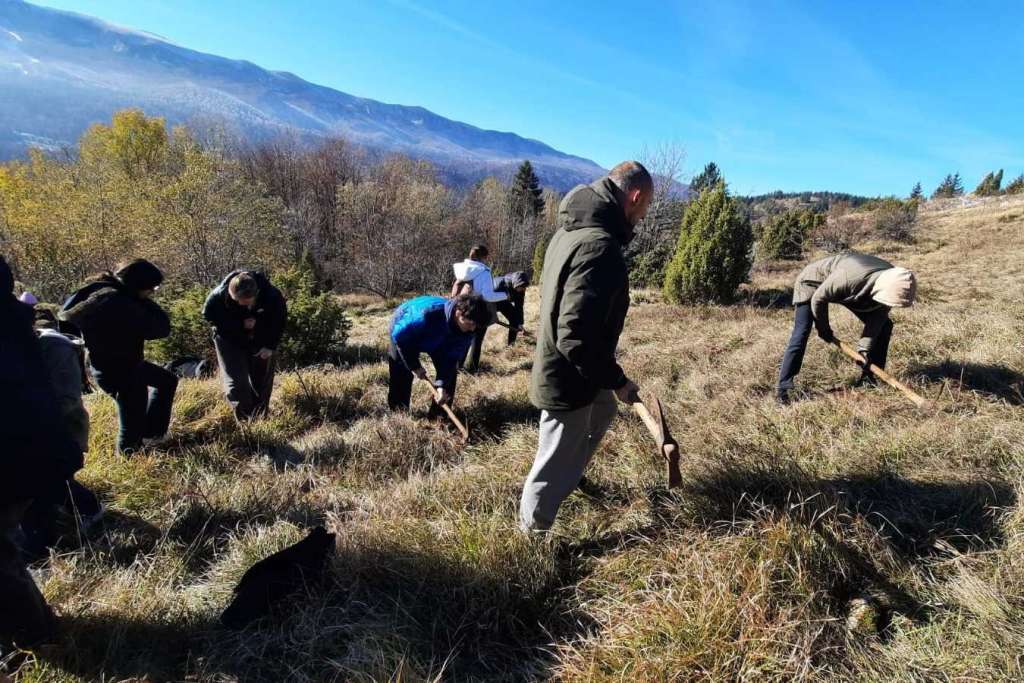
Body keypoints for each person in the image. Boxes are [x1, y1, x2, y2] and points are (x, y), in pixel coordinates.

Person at [519, 161, 654, 532]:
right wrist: (618, 380)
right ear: (635, 196)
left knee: (603, 409)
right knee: (551, 465)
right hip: (568, 377)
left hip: (579, 370)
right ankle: (531, 539)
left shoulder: (570, 231)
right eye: (645, 206)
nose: (644, 216)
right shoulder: (599, 246)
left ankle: (572, 473)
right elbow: (575, 335)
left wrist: (608, 380)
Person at [0, 255, 82, 649]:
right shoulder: (14, 325)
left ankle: (36, 639)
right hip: (32, 453)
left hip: (16, 456)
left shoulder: (15, 336)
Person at [60, 259, 178, 455]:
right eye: (151, 288)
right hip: (121, 373)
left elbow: (65, 317)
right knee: (130, 432)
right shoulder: (120, 303)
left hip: (110, 365)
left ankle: (152, 435)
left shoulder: (100, 290)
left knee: (167, 381)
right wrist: (143, 301)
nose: (152, 292)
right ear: (137, 285)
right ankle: (130, 459)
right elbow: (161, 328)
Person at [776, 251, 917, 405]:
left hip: (856, 289)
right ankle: (784, 389)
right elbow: (818, 298)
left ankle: (869, 378)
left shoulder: (895, 282)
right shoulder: (849, 277)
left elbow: (877, 320)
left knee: (885, 326)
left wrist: (863, 350)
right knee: (802, 331)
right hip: (812, 282)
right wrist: (824, 330)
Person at [19, 310, 103, 556]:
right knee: (53, 482)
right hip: (34, 433)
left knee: (43, 483)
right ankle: (88, 509)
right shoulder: (18, 348)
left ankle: (39, 551)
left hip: (60, 430)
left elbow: (67, 401)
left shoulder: (55, 348)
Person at [202, 270, 287, 421]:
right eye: (237, 300)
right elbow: (210, 317)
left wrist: (270, 346)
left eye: (247, 302)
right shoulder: (217, 297)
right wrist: (239, 324)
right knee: (236, 381)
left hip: (260, 337)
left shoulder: (272, 296)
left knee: (261, 379)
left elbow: (279, 321)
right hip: (228, 338)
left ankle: (260, 418)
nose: (241, 304)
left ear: (257, 293)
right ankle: (244, 421)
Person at [387, 293, 491, 412]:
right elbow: (401, 339)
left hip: (439, 340)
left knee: (449, 376)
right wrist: (414, 365)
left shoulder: (468, 331)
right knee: (401, 371)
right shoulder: (426, 316)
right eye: (470, 324)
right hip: (405, 329)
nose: (472, 328)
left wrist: (441, 385)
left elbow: (451, 358)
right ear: (458, 313)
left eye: (476, 325)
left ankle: (438, 416)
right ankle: (398, 410)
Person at [453, 245, 509, 373]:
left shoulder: (464, 269)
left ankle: (457, 367)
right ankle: (472, 369)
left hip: (461, 308)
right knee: (476, 341)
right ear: (483, 257)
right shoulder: (484, 272)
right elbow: (488, 296)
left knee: (463, 339)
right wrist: (505, 295)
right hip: (477, 309)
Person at [493, 271, 529, 346]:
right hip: (490, 302)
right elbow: (487, 298)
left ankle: (511, 345)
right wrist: (492, 315)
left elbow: (519, 306)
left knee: (515, 320)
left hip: (504, 303)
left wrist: (520, 323)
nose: (524, 289)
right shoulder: (499, 285)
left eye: (525, 287)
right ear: (516, 284)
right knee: (482, 327)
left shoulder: (521, 290)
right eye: (522, 287)